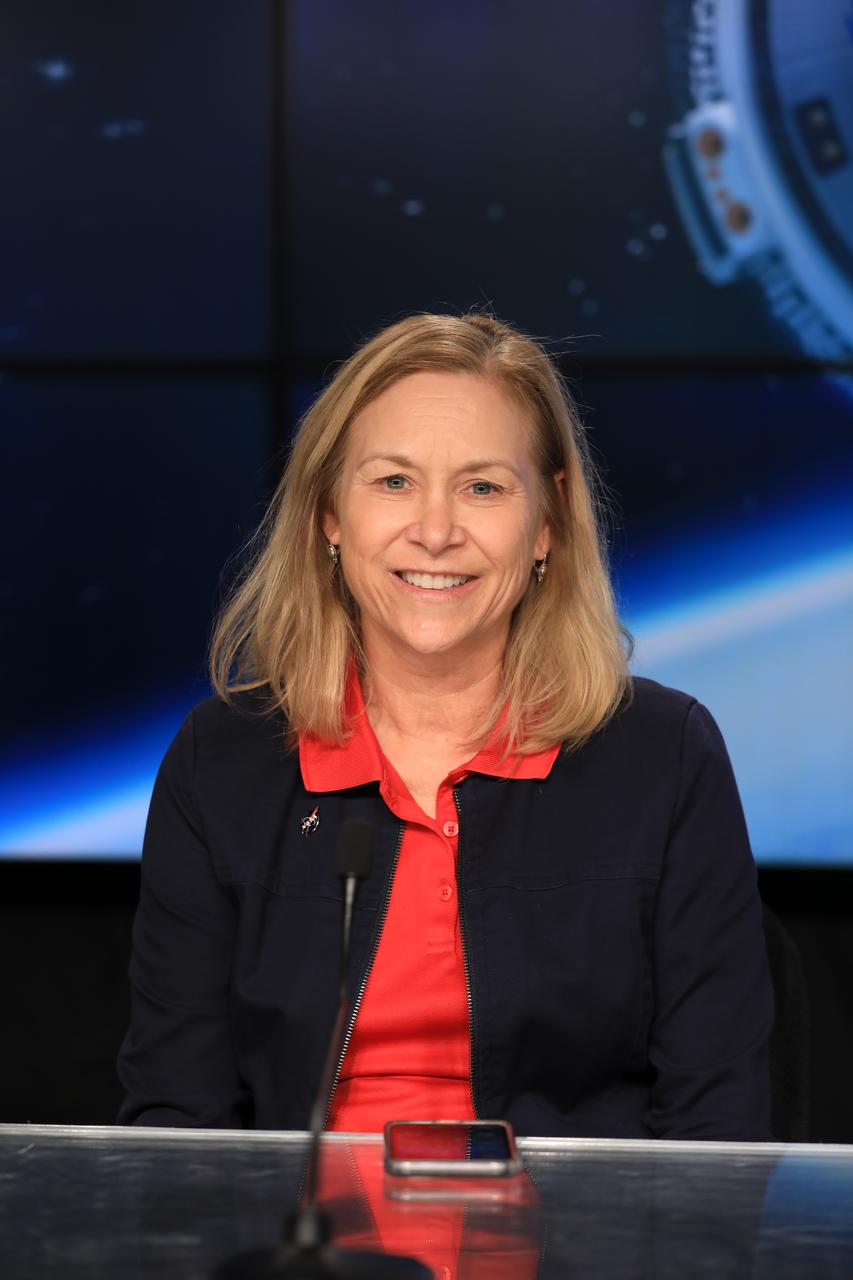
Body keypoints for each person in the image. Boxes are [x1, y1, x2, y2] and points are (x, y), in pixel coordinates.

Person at [117, 312, 773, 1139]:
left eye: (482, 488)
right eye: (393, 482)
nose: (434, 531)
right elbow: (176, 1119)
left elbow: (717, 1121)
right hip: (300, 1222)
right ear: (329, 514)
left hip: (574, 1223)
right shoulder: (220, 760)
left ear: (546, 523)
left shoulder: (664, 756)